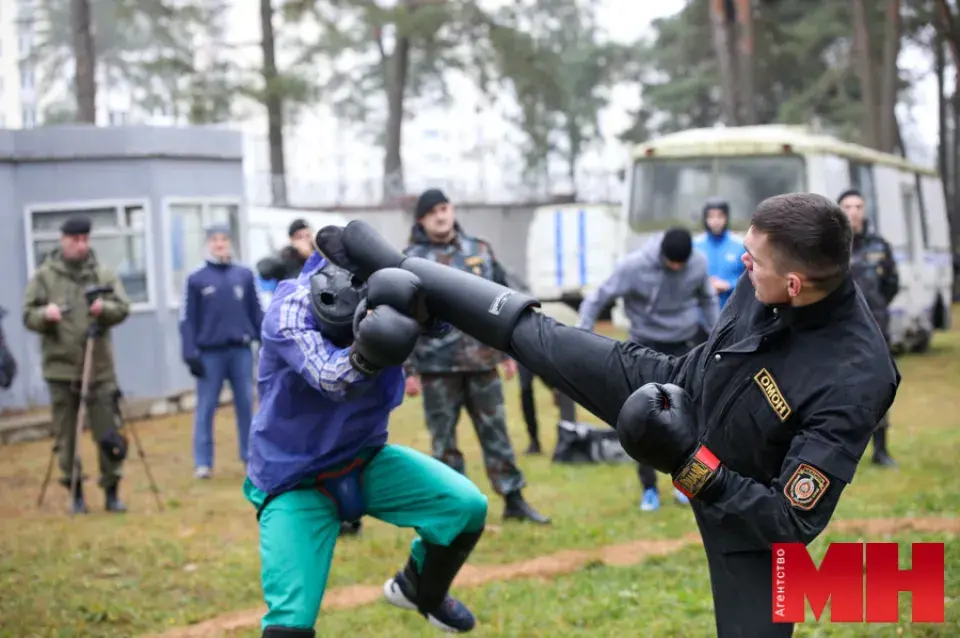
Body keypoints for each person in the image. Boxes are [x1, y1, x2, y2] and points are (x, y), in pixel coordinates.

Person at [316, 191, 900, 637]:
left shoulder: (853, 380)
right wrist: (408, 284)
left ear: (795, 284)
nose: (742, 265)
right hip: (674, 387)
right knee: (539, 337)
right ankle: (408, 267)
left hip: (744, 510)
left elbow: (792, 521)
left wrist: (690, 465)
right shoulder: (776, 261)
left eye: (754, 262)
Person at [244, 250, 487, 637]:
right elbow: (330, 377)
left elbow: (442, 324)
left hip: (364, 460)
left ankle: (420, 588)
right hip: (292, 482)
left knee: (465, 507)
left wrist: (422, 305)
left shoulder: (383, 293)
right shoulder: (290, 307)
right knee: (288, 627)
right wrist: (371, 349)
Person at [402, 188, 549, 525]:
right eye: (432, 212)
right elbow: (403, 315)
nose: (441, 216)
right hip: (437, 366)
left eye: (444, 208)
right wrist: (408, 369)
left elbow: (502, 299)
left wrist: (511, 351)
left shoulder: (479, 251)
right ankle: (453, 509)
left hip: (483, 360)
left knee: (496, 433)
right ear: (421, 220)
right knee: (444, 443)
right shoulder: (411, 259)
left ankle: (514, 500)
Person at [577, 227, 720, 511]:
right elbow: (597, 298)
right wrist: (582, 334)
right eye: (672, 264)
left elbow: (707, 299)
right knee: (643, 420)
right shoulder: (634, 266)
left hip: (684, 344)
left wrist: (717, 335)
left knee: (691, 417)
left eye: (682, 264)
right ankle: (649, 489)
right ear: (662, 256)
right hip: (644, 345)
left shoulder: (698, 264)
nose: (678, 268)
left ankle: (686, 482)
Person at [22, 215, 132, 514]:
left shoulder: (103, 273)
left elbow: (123, 307)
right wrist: (46, 314)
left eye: (85, 239)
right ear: (63, 241)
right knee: (67, 438)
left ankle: (112, 491)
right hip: (61, 369)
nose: (80, 245)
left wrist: (103, 309)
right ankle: (76, 494)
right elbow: (27, 314)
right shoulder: (45, 276)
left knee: (109, 431)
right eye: (75, 240)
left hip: (99, 369)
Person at [180, 223, 264, 479]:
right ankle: (203, 463)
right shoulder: (197, 279)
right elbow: (188, 320)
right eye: (215, 240)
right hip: (210, 354)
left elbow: (256, 312)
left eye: (224, 240)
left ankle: (250, 459)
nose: (219, 244)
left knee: (246, 405)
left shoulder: (244, 275)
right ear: (208, 243)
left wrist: (267, 343)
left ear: (230, 242)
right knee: (206, 407)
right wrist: (189, 352)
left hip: (240, 351)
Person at [837, 188, 900, 467]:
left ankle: (881, 450)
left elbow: (891, 284)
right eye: (847, 206)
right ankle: (838, 451)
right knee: (838, 390)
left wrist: (873, 309)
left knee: (878, 388)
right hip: (839, 330)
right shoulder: (830, 245)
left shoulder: (879, 245)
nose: (853, 211)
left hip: (875, 328)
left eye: (858, 206)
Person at [694, 197, 747, 309]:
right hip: (701, 314)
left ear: (726, 217)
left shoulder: (740, 245)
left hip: (732, 312)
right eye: (711, 216)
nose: (716, 221)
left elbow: (750, 279)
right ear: (705, 218)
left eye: (720, 216)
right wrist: (706, 286)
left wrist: (728, 285)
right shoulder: (695, 245)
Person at [256, 218, 315, 293]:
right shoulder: (287, 257)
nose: (305, 240)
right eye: (299, 237)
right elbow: (264, 269)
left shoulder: (319, 254)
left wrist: (310, 256)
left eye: (308, 236)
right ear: (292, 239)